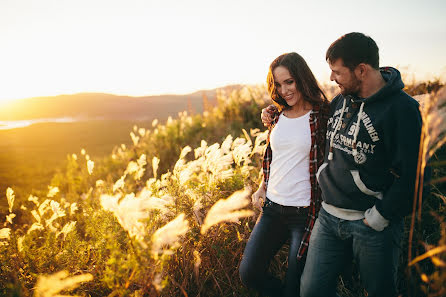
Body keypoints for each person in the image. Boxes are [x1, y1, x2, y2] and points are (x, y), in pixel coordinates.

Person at [262, 32, 422, 297]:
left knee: (379, 291)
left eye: (337, 72)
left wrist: (381, 215)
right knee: (311, 291)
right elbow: (303, 118)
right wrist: (271, 112)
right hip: (327, 218)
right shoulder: (340, 101)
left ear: (361, 70)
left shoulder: (402, 110)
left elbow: (415, 176)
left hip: (371, 224)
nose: (331, 78)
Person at [239, 52, 330, 297]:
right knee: (249, 273)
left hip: (305, 214)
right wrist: (262, 186)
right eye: (278, 84)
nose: (284, 90)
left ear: (302, 78)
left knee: (296, 286)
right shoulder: (277, 115)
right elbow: (275, 158)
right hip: (272, 210)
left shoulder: (323, 116)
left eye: (289, 82)